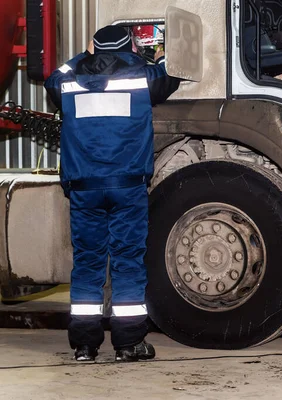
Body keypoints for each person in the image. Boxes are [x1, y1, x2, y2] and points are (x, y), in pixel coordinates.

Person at [44, 25, 180, 362]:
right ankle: (129, 344)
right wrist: (154, 54)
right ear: (130, 45)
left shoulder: (69, 82)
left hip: (84, 188)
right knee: (127, 263)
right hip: (127, 186)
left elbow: (52, 79)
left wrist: (86, 56)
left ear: (93, 47)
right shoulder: (143, 77)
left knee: (88, 263)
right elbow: (172, 73)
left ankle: (85, 346)